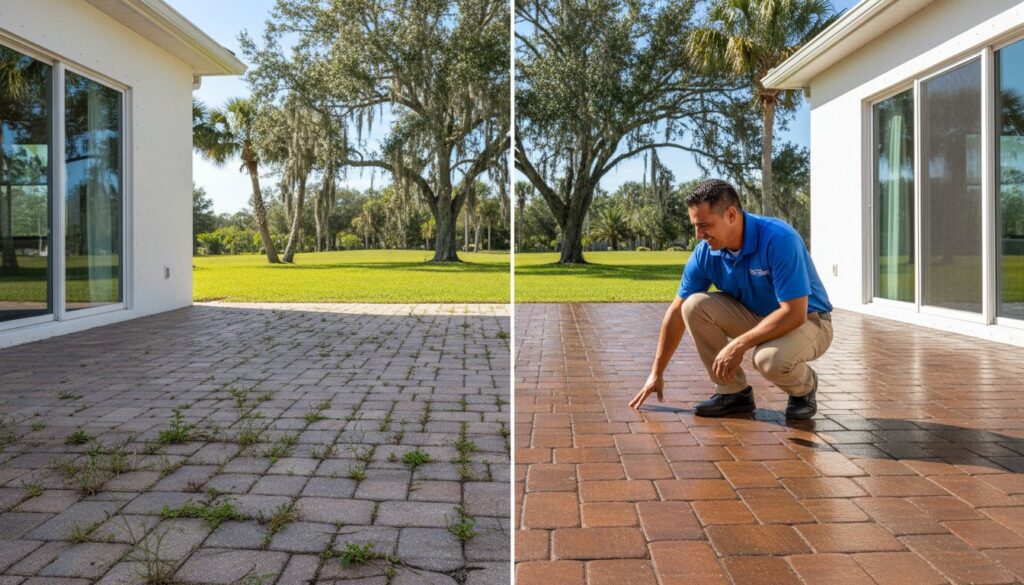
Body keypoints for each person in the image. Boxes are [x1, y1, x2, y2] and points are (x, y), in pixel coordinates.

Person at [628, 179, 833, 419]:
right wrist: (656, 373)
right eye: (694, 225)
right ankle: (733, 393)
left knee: (768, 360)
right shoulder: (706, 252)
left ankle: (804, 388)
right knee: (693, 306)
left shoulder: (779, 239)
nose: (698, 235)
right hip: (758, 315)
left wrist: (738, 344)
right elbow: (676, 312)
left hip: (809, 320)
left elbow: (794, 313)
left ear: (732, 215)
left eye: (704, 225)